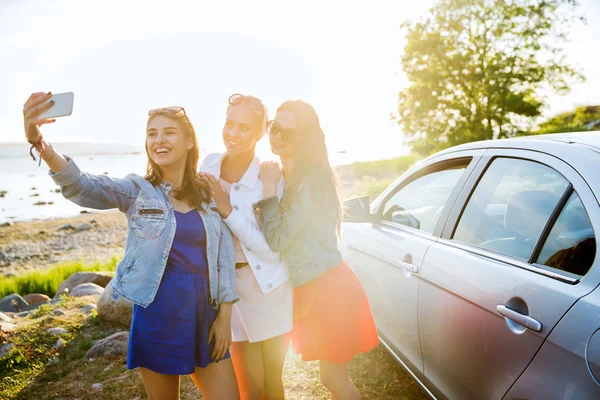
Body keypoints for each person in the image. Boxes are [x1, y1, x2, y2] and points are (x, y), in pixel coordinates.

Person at [21, 92, 240, 400]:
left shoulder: (207, 194)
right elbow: (83, 187)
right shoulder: (138, 190)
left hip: (206, 311)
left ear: (190, 141)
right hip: (158, 311)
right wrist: (41, 145)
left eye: (168, 132)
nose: (158, 140)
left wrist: (225, 315)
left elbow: (223, 258)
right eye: (152, 134)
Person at [253, 100, 379, 400]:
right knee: (332, 379)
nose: (277, 136)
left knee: (335, 379)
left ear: (305, 138)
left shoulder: (309, 181)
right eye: (274, 127)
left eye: (287, 132)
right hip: (316, 286)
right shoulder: (294, 177)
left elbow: (278, 238)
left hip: (328, 288)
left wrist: (268, 190)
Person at [199, 94, 293, 400]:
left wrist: (227, 209)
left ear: (259, 133)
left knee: (272, 384)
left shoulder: (268, 175)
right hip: (230, 294)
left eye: (244, 128)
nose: (233, 134)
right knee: (249, 387)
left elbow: (270, 248)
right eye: (229, 124)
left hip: (270, 289)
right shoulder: (209, 165)